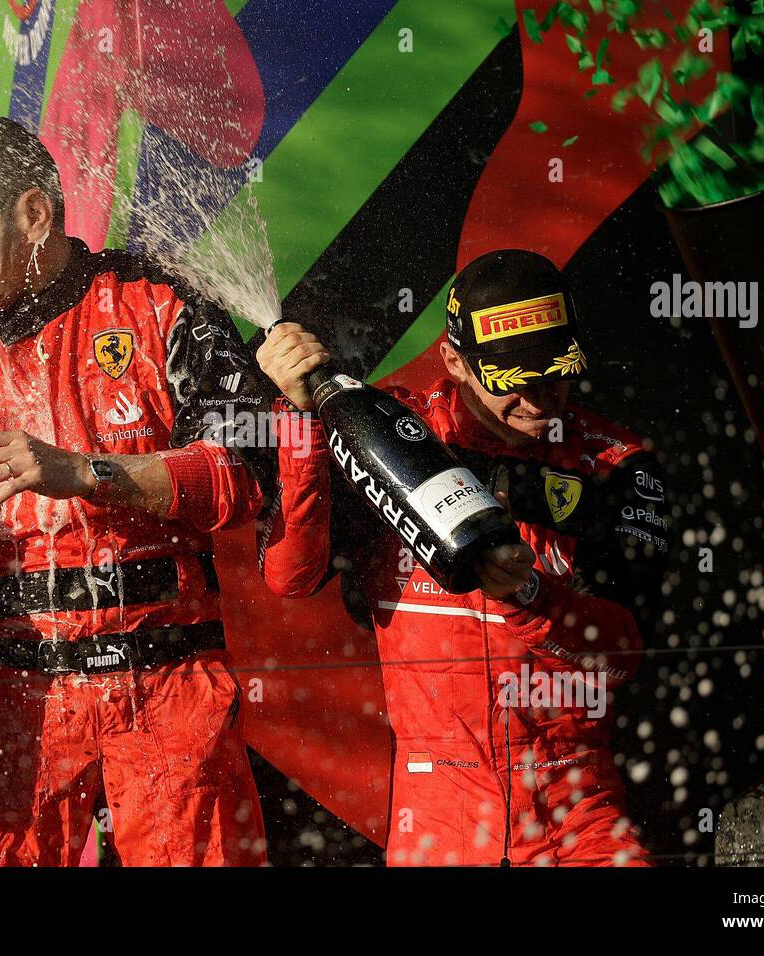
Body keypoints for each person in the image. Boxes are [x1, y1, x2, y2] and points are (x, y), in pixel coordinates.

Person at [0, 115, 271, 866]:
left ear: (34, 215)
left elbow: (250, 476)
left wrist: (82, 472)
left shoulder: (162, 306)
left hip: (167, 690)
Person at [256, 250, 671, 866]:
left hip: (575, 807)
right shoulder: (389, 435)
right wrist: (300, 423)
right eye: (512, 381)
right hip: (436, 818)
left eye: (556, 373)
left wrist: (532, 599)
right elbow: (291, 576)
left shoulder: (618, 467)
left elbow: (624, 658)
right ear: (453, 361)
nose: (537, 401)